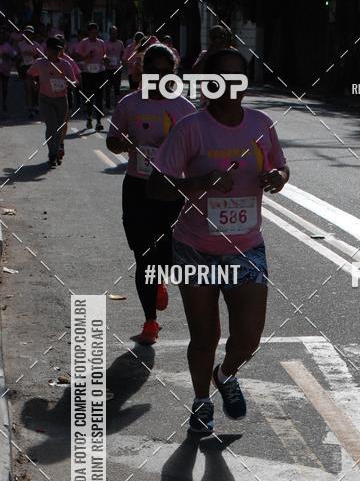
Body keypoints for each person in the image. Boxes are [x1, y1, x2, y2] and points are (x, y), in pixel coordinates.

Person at [148, 48, 290, 435]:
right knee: (205, 335)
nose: (229, 84)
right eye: (220, 77)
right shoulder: (190, 129)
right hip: (195, 247)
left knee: (248, 338)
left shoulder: (261, 124)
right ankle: (201, 402)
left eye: (237, 76)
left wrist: (277, 177)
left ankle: (225, 374)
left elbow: (281, 166)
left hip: (246, 248)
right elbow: (156, 186)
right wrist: (198, 182)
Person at [107, 43, 196, 344]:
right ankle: (150, 321)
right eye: (152, 71)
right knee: (143, 255)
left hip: (171, 191)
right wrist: (123, 143)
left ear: (174, 73)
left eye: (165, 72)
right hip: (138, 187)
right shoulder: (130, 104)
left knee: (168, 254)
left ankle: (159, 280)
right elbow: (112, 140)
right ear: (142, 72)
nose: (158, 77)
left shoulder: (185, 108)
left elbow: (196, 152)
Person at [27, 36, 78, 166]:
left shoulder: (65, 64)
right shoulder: (40, 63)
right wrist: (34, 82)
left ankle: (57, 149)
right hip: (45, 99)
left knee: (59, 128)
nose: (56, 52)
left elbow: (74, 80)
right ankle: (52, 154)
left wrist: (71, 83)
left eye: (58, 50)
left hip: (61, 100)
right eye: (53, 50)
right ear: (47, 50)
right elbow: (30, 74)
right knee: (51, 127)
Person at [75, 22, 106, 130]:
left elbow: (104, 53)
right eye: (92, 33)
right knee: (89, 97)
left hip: (100, 72)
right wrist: (86, 57)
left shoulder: (101, 42)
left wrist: (105, 58)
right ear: (88, 33)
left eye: (96, 32)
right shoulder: (84, 43)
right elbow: (77, 57)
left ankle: (99, 122)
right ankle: (89, 117)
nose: (94, 35)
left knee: (99, 97)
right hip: (87, 73)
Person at [16, 25, 39, 117]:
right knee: (28, 88)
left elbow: (41, 57)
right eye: (26, 33)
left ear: (32, 35)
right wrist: (20, 56)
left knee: (35, 88)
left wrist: (33, 55)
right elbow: (16, 56)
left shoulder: (36, 45)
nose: (28, 35)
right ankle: (30, 107)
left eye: (30, 33)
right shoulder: (20, 45)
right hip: (25, 67)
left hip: (34, 67)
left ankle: (35, 104)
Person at [104, 26, 124, 110]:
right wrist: (106, 59)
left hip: (117, 68)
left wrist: (121, 60)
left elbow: (123, 53)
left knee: (117, 87)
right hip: (108, 69)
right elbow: (103, 54)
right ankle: (108, 104)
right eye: (112, 33)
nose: (113, 35)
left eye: (115, 33)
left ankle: (117, 103)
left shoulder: (120, 43)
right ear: (109, 33)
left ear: (117, 33)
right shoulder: (106, 43)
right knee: (108, 87)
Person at [0, 28, 15, 113]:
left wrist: (7, 56)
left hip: (6, 69)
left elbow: (14, 56)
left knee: (4, 88)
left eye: (2, 36)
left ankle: (4, 103)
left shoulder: (8, 46)